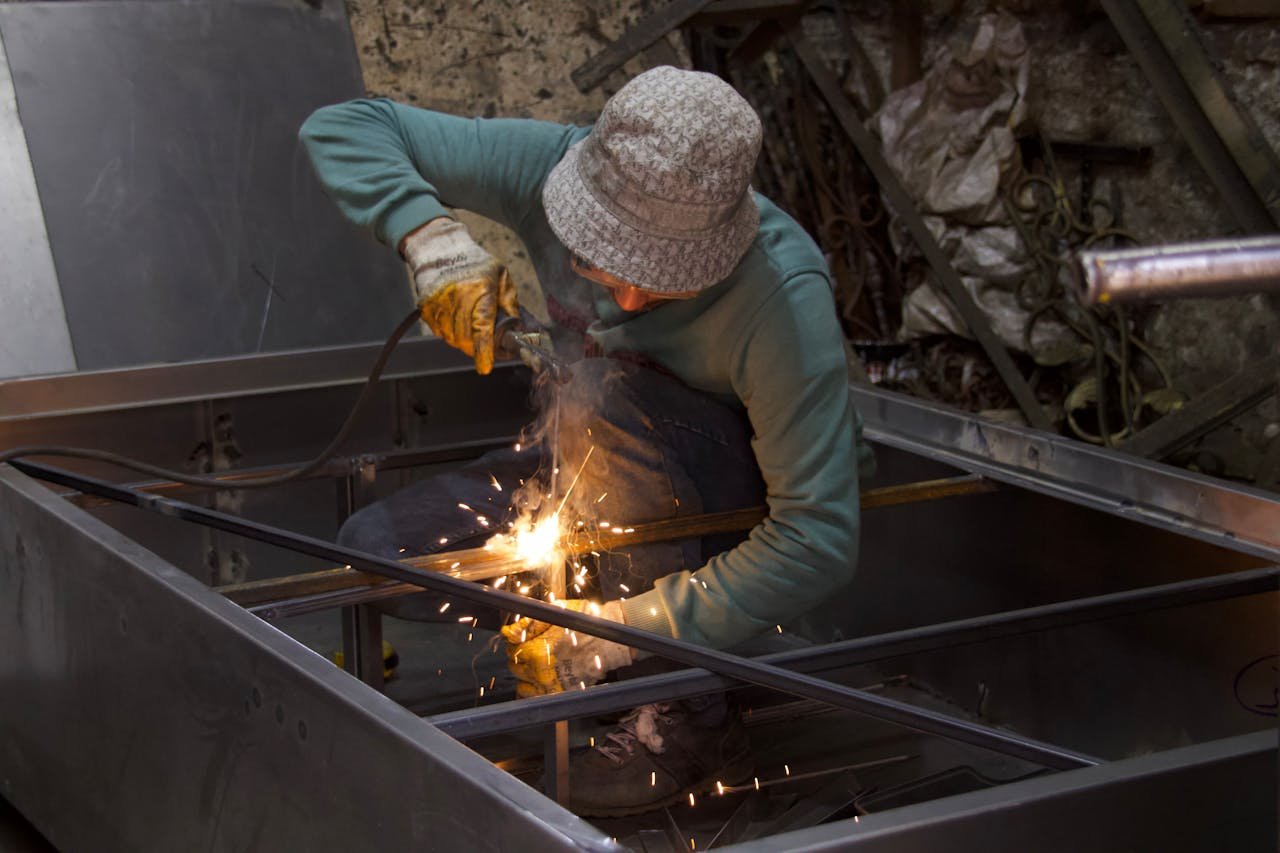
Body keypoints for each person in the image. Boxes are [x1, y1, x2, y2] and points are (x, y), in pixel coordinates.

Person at [299, 65, 872, 816]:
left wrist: (616, 634)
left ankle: (683, 713)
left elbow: (819, 536)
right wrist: (430, 238)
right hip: (595, 456)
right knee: (380, 550)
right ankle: (605, 642)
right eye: (604, 262)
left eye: (665, 282)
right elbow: (342, 125)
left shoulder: (782, 299)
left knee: (610, 394)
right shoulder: (543, 164)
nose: (628, 300)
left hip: (733, 499)